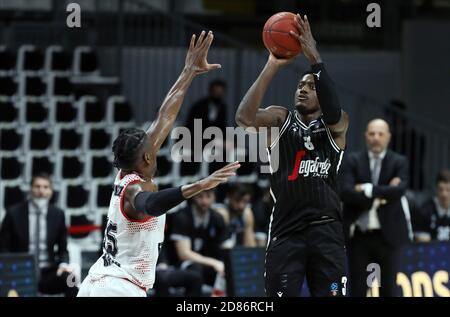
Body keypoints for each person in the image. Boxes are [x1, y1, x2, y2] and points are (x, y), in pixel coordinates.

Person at [77, 31, 240, 297]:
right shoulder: (133, 190)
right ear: (147, 157)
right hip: (118, 288)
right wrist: (200, 185)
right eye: (152, 146)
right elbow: (150, 204)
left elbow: (164, 117)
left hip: (100, 281)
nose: (157, 143)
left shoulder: (126, 169)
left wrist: (189, 72)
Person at [235, 14, 349, 297]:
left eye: (311, 86)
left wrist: (314, 58)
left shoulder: (337, 125)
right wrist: (272, 65)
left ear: (322, 94)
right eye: (300, 84)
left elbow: (334, 112)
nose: (303, 88)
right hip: (288, 231)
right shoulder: (281, 119)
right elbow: (243, 118)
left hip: (327, 233)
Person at [340, 119, 410, 297]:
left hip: (389, 236)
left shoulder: (399, 161)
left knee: (388, 289)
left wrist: (366, 189)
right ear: (366, 136)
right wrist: (383, 194)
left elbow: (399, 190)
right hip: (359, 237)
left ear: (388, 137)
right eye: (372, 134)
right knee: (358, 289)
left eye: (380, 134)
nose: (376, 138)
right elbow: (345, 192)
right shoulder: (353, 160)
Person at [0, 173, 77, 297]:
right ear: (30, 189)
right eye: (37, 186)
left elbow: (63, 249)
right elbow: (3, 248)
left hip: (48, 271)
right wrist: (10, 268)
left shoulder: (58, 214)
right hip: (20, 270)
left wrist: (63, 264)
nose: (41, 191)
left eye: (46, 187)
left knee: (71, 279)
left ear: (51, 191)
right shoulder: (13, 213)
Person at [169, 190, 228, 289]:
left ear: (214, 197)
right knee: (196, 273)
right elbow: (184, 254)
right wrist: (214, 263)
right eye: (200, 197)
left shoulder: (217, 218)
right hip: (182, 263)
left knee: (227, 272)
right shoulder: (182, 217)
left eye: (208, 196)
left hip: (208, 262)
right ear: (193, 197)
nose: (204, 201)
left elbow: (223, 247)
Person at [412, 170, 450, 242]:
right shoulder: (425, 210)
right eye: (441, 189)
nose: (444, 194)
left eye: (448, 189)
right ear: (436, 189)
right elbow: (419, 236)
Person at [216, 183, 257, 248]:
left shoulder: (247, 213)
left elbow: (250, 246)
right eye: (237, 200)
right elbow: (218, 246)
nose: (241, 206)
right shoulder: (221, 213)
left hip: (237, 253)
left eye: (245, 201)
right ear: (229, 197)